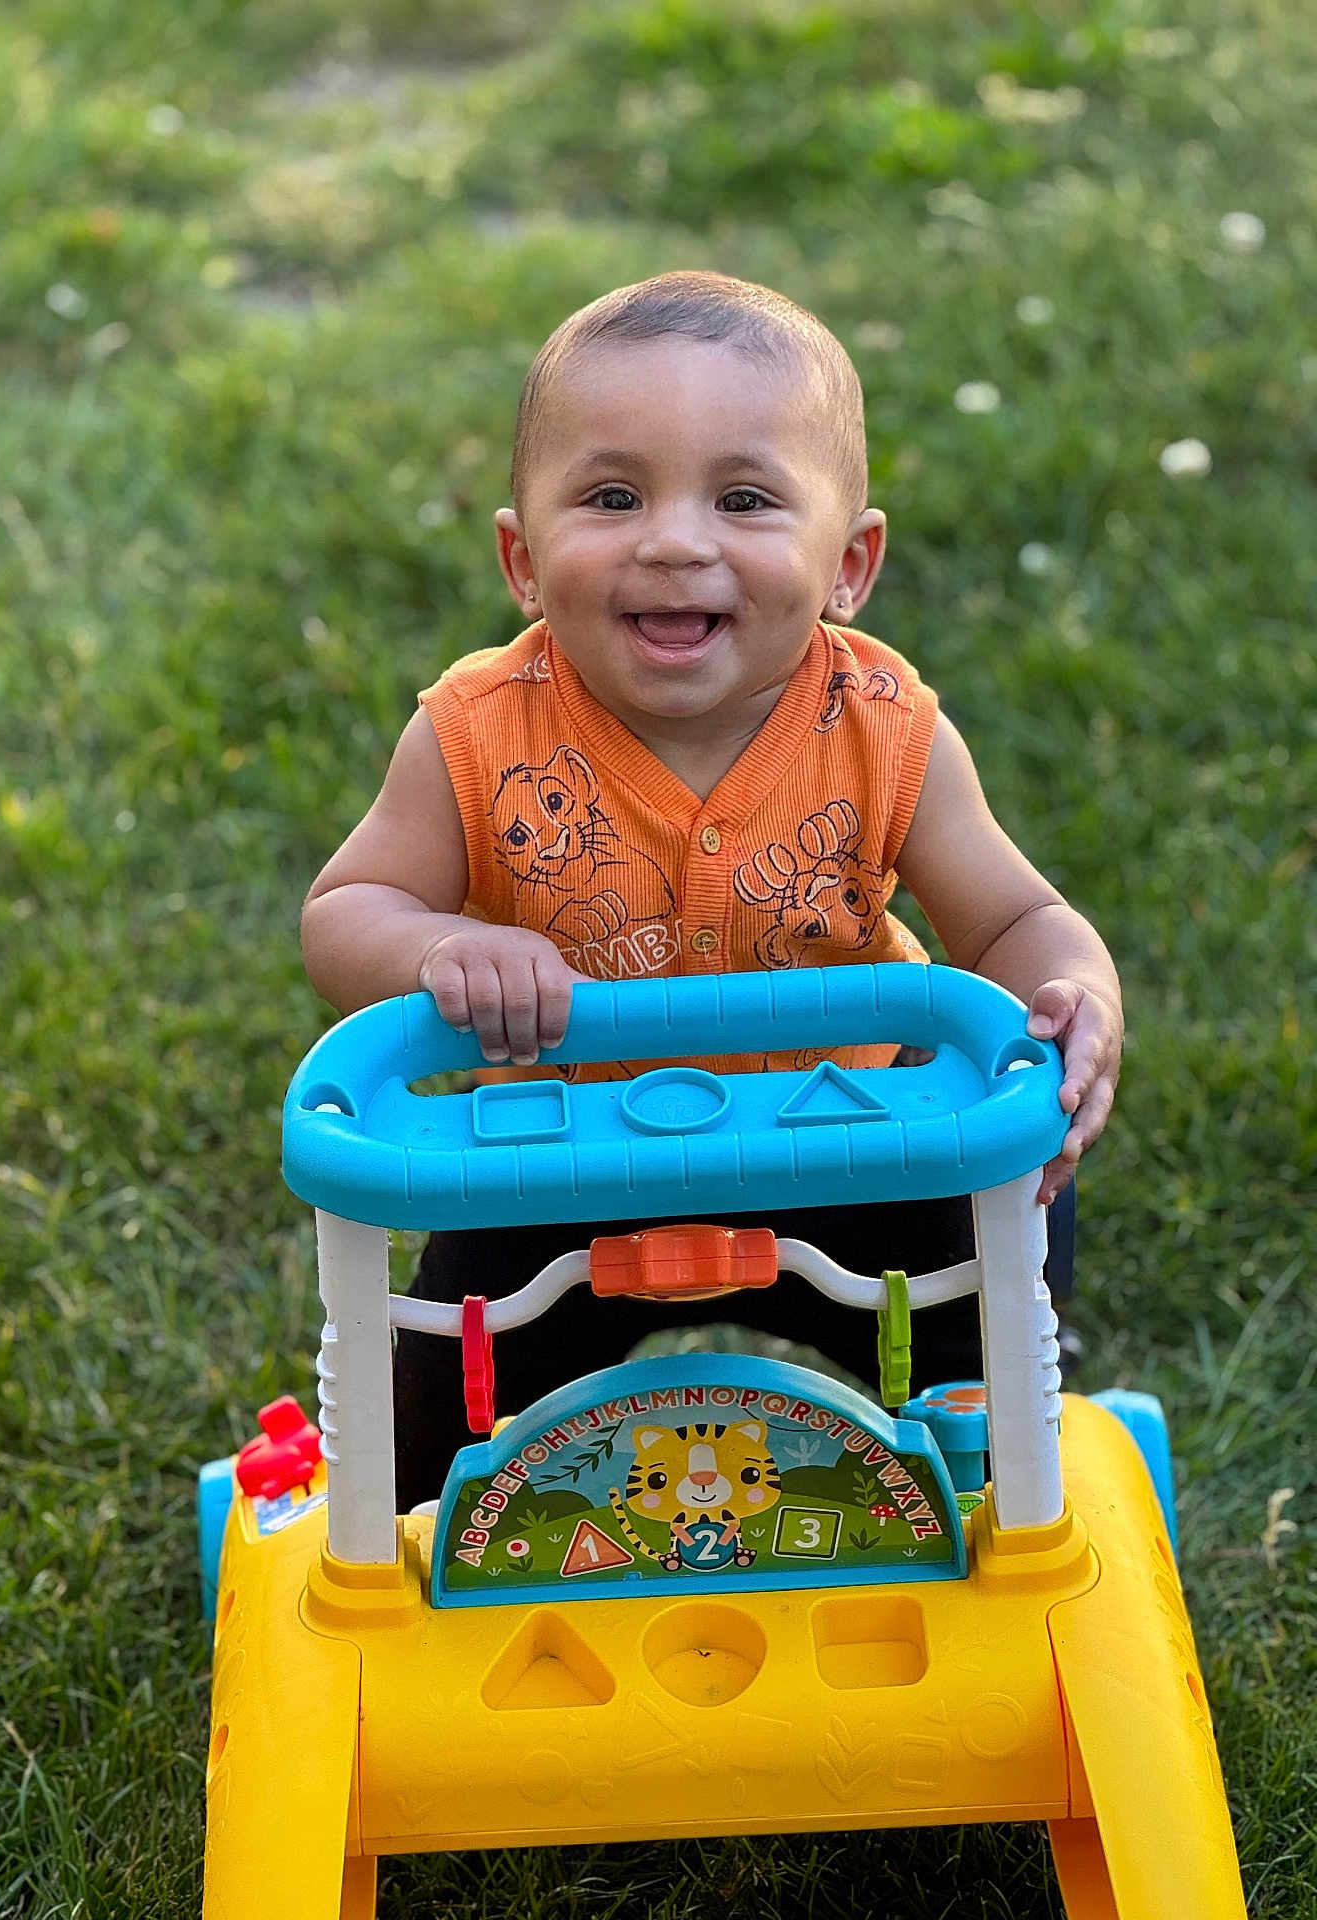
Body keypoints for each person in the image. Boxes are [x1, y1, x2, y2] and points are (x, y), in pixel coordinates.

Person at [301, 271, 1123, 1509]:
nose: (675, 540)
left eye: (743, 499)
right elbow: (345, 907)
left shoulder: (887, 728)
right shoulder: (472, 731)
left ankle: (1009, 1519)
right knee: (437, 1392)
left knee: (990, 1318)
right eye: (614, 495)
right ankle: (408, 1566)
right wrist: (440, 951)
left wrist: (1070, 993)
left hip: (855, 1139)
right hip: (557, 1158)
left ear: (848, 564)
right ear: (522, 560)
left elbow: (1011, 918)